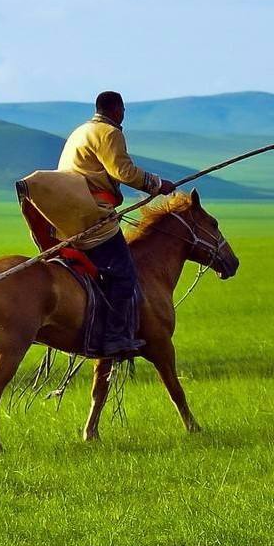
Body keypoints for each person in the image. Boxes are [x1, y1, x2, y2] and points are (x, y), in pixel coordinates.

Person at [56, 91, 176, 356]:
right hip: (91, 212)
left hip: (67, 210)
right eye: (123, 110)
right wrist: (157, 184)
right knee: (123, 272)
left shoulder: (80, 131)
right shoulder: (109, 133)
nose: (123, 115)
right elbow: (123, 172)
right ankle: (115, 338)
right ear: (118, 110)